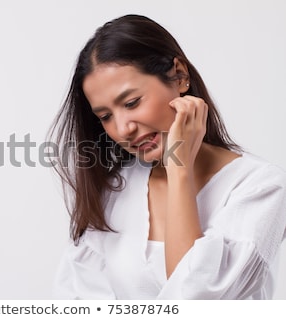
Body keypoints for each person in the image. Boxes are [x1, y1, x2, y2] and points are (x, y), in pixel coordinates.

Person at [48, 14, 286, 299]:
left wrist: (179, 170)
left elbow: (195, 302)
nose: (123, 128)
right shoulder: (115, 190)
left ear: (180, 75)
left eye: (132, 102)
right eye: (106, 116)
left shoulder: (259, 187)